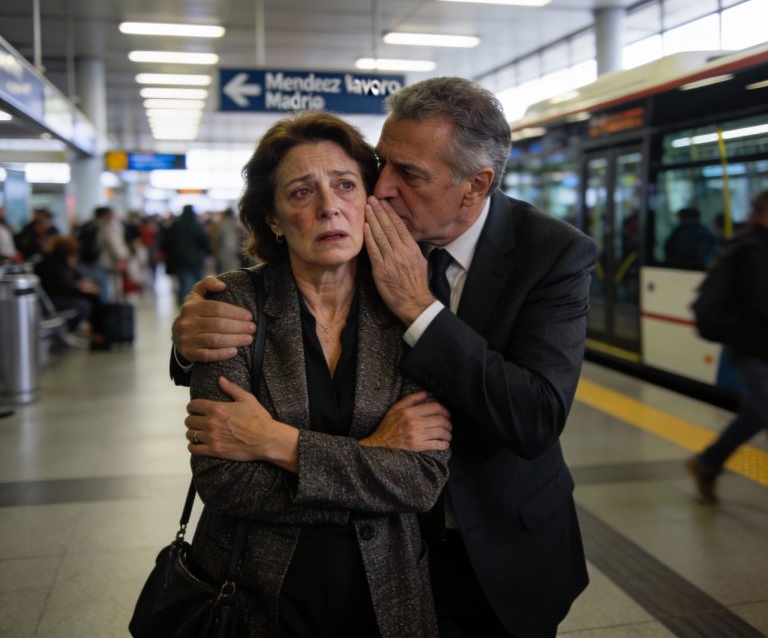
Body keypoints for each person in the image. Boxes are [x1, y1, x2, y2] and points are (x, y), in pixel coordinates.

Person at [172, 77, 597, 638]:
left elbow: (532, 417)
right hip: (368, 562)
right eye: (381, 165)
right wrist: (188, 344)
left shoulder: (553, 254)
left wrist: (282, 445)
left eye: (409, 174)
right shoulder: (357, 246)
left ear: (476, 185)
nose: (381, 190)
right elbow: (227, 468)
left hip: (499, 542)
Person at [182, 111, 450, 637]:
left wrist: (277, 444)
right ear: (275, 220)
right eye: (302, 193)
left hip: (384, 591)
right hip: (254, 591)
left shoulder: (407, 304)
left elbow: (422, 481)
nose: (330, 206)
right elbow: (225, 481)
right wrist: (373, 461)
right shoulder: (234, 303)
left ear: (368, 202)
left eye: (345, 185)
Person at [686, 189, 768, 502]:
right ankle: (708, 462)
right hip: (753, 349)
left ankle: (707, 462)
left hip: (758, 347)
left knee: (755, 414)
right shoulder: (752, 250)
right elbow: (761, 305)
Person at [160, 204, 210, 306]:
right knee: (197, 286)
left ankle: (183, 307)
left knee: (184, 285)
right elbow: (204, 242)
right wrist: (208, 253)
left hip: (179, 261)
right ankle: (196, 305)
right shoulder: (196, 225)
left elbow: (165, 243)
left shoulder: (174, 225)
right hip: (195, 260)